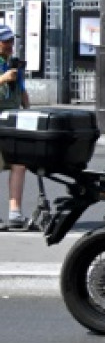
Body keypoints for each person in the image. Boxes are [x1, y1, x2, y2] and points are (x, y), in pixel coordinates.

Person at [0, 26, 31, 231]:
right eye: (6, 40)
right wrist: (3, 79)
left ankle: (15, 214)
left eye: (12, 40)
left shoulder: (13, 64)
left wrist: (30, 111)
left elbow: (22, 91)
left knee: (19, 164)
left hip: (14, 120)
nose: (10, 44)